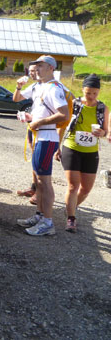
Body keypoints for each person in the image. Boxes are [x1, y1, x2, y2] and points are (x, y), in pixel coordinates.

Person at [14, 55, 69, 236]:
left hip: (47, 137)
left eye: (41, 65)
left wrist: (39, 122)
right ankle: (40, 216)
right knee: (39, 180)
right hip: (41, 137)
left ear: (51, 68)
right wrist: (33, 119)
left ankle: (48, 222)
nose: (37, 69)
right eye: (36, 65)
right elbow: (18, 99)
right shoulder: (41, 86)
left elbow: (64, 114)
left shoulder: (53, 88)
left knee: (44, 182)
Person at [56, 74, 109, 233]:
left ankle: (70, 208)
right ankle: (71, 218)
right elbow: (62, 126)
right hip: (71, 147)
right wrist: (57, 147)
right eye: (88, 93)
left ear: (99, 92)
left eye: (94, 93)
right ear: (82, 90)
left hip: (91, 151)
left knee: (86, 189)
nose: (91, 96)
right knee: (73, 186)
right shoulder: (74, 104)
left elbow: (106, 130)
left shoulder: (102, 108)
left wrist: (102, 133)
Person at [16, 64, 40, 199]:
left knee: (41, 161)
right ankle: (34, 187)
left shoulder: (53, 87)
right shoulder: (34, 86)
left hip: (44, 130)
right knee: (34, 158)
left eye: (34, 70)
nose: (31, 73)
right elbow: (16, 98)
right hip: (32, 127)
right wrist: (18, 86)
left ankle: (40, 192)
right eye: (30, 71)